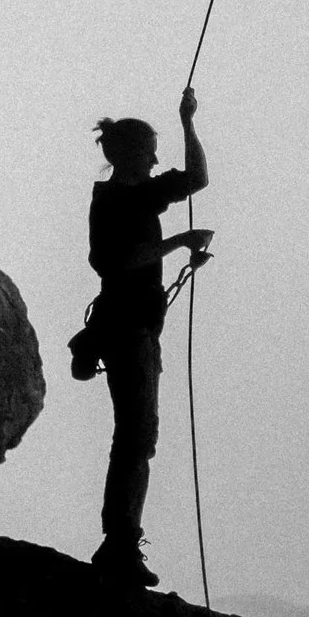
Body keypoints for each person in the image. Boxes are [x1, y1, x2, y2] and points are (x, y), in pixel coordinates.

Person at [75, 89, 210, 587]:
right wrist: (178, 243)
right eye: (151, 149)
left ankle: (122, 541)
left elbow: (197, 178)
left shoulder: (137, 195)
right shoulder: (111, 202)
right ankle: (119, 544)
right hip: (126, 328)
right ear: (131, 155)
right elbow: (116, 262)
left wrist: (186, 122)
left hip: (138, 328)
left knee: (137, 435)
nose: (158, 158)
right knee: (136, 435)